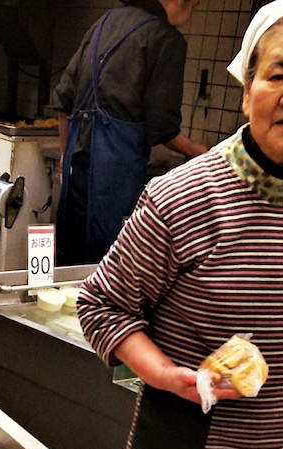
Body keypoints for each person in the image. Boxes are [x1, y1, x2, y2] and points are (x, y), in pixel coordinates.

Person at [75, 1, 283, 449]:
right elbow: (102, 305)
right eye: (278, 74)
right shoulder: (183, 198)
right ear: (246, 85)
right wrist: (164, 375)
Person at [50, 0, 208, 266]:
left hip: (76, 170)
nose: (190, 13)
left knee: (70, 262)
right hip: (114, 179)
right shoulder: (166, 39)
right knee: (109, 263)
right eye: (192, 5)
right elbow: (163, 128)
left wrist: (65, 157)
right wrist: (199, 151)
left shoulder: (103, 23)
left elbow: (63, 101)